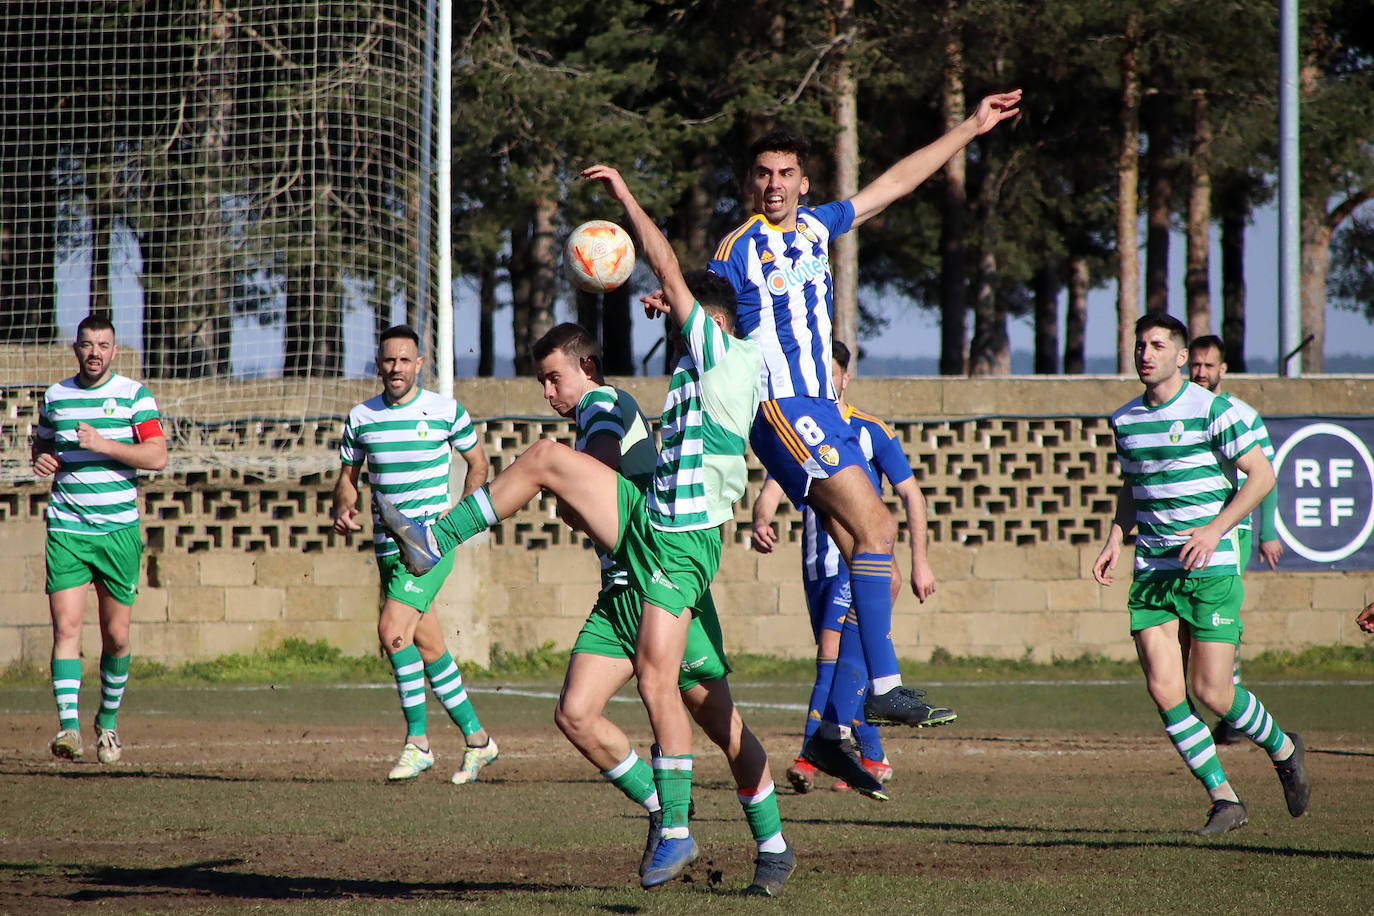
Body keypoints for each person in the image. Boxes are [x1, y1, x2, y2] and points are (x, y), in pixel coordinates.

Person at [375, 165, 792, 894]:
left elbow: (667, 264)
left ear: (716, 324)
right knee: (638, 715)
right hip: (645, 548)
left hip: (677, 540)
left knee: (547, 463)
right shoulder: (706, 365)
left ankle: (675, 829)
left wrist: (627, 201)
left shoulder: (728, 356)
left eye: (691, 314)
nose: (678, 322)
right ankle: (772, 845)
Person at [708, 91, 1021, 789]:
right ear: (749, 184)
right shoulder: (736, 249)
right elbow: (708, 309)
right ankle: (881, 685)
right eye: (763, 173)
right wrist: (675, 304)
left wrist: (970, 128)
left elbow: (897, 182)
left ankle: (829, 733)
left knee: (862, 547)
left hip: (822, 408)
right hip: (783, 407)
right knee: (877, 524)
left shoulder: (819, 229)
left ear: (804, 183)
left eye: (786, 173)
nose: (775, 184)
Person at [533, 321, 792, 895]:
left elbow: (596, 474)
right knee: (576, 713)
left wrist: (566, 494)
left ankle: (771, 847)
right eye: (541, 382)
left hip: (660, 586)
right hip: (622, 596)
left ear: (588, 368)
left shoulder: (602, 404)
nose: (547, 392)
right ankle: (664, 809)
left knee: (721, 723)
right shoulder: (590, 418)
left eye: (555, 378)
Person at [1092, 313, 1311, 836]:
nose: (1146, 353)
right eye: (1140, 344)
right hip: (1153, 570)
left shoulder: (1215, 410)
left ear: (1180, 356)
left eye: (1157, 345)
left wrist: (1214, 530)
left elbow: (1261, 477)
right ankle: (1223, 797)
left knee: (1213, 693)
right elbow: (1134, 486)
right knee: (1164, 688)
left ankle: (1284, 748)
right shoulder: (1124, 419)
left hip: (1210, 568)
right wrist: (1113, 538)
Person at [752, 339, 947, 797]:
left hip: (855, 564)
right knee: (835, 659)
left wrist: (920, 561)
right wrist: (762, 518)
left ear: (844, 377)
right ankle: (854, 747)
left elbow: (911, 496)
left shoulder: (868, 430)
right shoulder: (798, 425)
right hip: (816, 564)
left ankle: (834, 750)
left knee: (832, 657)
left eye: (833, 371)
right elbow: (773, 489)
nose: (826, 377)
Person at [331, 325, 498, 785]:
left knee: (391, 631)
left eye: (405, 360)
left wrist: (461, 516)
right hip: (387, 546)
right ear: (379, 364)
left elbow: (479, 464)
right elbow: (347, 478)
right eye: (388, 361)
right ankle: (478, 740)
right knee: (427, 644)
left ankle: (418, 743)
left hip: (429, 545)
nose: (396, 368)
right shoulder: (361, 417)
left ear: (420, 364)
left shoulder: (445, 411)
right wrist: (343, 509)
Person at [31, 313, 168, 764]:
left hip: (119, 532)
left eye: (103, 346)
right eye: (87, 345)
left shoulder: (133, 395)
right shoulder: (56, 397)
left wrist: (104, 443)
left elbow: (157, 456)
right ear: (76, 349)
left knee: (117, 636)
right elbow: (43, 445)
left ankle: (106, 724)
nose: (95, 353)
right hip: (68, 528)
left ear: (115, 350)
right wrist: (44, 460)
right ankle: (69, 726)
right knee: (66, 629)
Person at [1187, 334, 1283, 745]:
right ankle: (1207, 703)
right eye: (1196, 364)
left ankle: (1229, 707)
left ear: (1223, 369)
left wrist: (1267, 531)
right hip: (1187, 531)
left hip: (1231, 530)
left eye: (1209, 365)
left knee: (1221, 617)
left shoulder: (1241, 413)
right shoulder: (1179, 408)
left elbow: (1266, 473)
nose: (1201, 372)